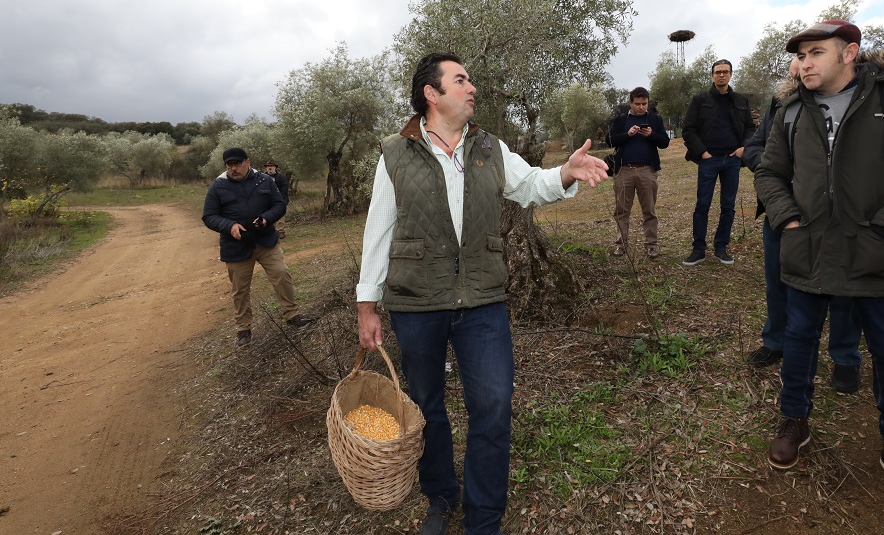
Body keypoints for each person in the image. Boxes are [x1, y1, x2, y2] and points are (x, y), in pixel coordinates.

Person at [356, 53, 608, 535]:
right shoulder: (395, 152)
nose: (472, 88)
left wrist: (567, 173)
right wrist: (367, 303)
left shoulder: (489, 146)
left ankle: (484, 518)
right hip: (416, 301)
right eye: (461, 80)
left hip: (482, 301)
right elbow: (379, 229)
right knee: (426, 408)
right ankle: (440, 497)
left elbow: (531, 184)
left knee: (492, 405)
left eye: (470, 79)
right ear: (432, 93)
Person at [755, 20, 884, 520]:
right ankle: (794, 420)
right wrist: (786, 217)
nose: (804, 62)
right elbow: (769, 171)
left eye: (816, 52)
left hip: (876, 253)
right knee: (800, 340)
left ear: (850, 53)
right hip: (808, 251)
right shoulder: (790, 109)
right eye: (801, 54)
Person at [742, 59, 863, 392]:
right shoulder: (784, 105)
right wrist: (775, 168)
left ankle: (846, 357)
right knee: (778, 281)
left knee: (843, 288)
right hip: (783, 213)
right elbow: (754, 149)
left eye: (813, 60)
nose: (804, 71)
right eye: (797, 66)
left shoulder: (859, 102)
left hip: (838, 217)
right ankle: (776, 340)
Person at [202, 147, 313, 347]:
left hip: (266, 241)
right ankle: (243, 329)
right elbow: (209, 216)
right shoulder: (218, 186)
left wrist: (266, 218)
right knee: (240, 290)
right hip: (236, 246)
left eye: (237, 164)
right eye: (230, 165)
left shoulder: (265, 181)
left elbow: (279, 205)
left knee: (281, 274)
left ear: (248, 162)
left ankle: (292, 315)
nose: (233, 168)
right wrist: (229, 226)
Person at [681, 59, 756, 265]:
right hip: (709, 160)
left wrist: (744, 148)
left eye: (725, 72)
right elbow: (688, 129)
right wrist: (702, 152)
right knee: (702, 205)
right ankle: (698, 249)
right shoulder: (700, 99)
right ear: (712, 75)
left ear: (731, 74)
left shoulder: (740, 100)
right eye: (717, 72)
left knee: (728, 206)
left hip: (732, 160)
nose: (721, 75)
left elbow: (750, 127)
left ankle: (721, 247)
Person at [606, 87, 671, 258]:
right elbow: (609, 140)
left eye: (644, 104)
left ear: (648, 103)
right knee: (621, 211)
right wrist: (627, 134)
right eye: (637, 104)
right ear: (630, 103)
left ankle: (651, 245)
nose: (641, 107)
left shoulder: (655, 119)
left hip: (647, 171)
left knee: (649, 211)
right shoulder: (620, 120)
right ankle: (621, 245)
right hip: (623, 171)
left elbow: (665, 142)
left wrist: (652, 134)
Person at [265, 160, 290, 239]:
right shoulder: (262, 177)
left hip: (280, 200)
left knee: (280, 216)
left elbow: (285, 188)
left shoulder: (281, 177)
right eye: (268, 166)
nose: (270, 168)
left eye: (271, 166)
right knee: (268, 216)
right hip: (267, 200)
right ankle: (270, 232)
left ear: (275, 167)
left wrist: (280, 199)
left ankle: (281, 232)